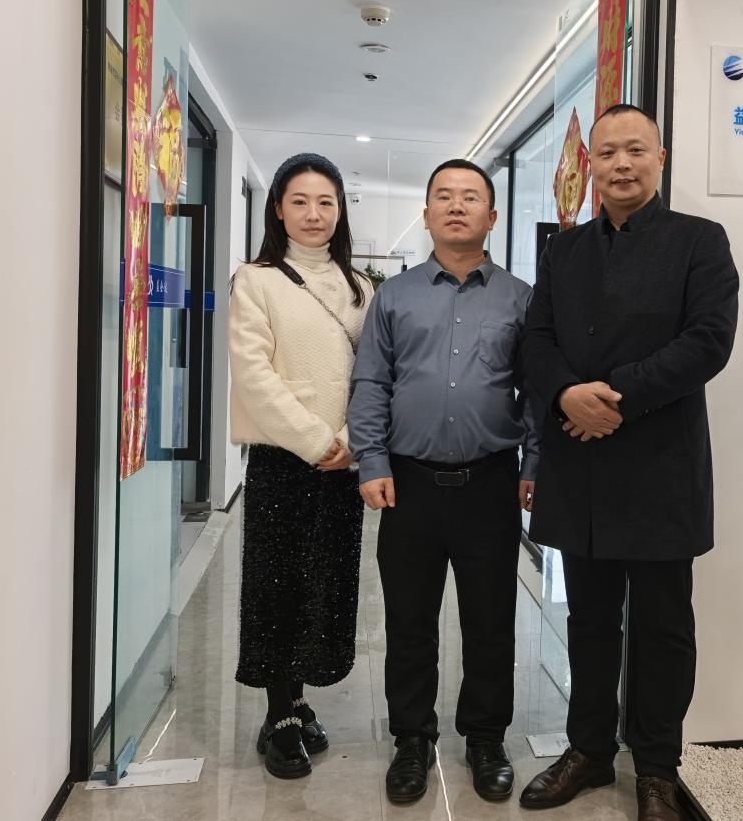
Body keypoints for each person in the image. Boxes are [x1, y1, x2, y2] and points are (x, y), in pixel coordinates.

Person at [517, 105, 739, 821]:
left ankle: (656, 769)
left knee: (663, 628)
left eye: (635, 150)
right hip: (579, 464)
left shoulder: (699, 241)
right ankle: (587, 750)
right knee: (587, 619)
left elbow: (708, 341)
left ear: (659, 159)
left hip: (660, 465)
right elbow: (536, 340)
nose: (621, 164)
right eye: (607, 152)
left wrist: (612, 399)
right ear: (590, 166)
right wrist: (566, 394)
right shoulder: (565, 251)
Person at [348, 158, 540, 805]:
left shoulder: (520, 299)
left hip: (490, 483)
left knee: (491, 621)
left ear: (492, 215)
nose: (457, 206)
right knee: (409, 623)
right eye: (444, 197)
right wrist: (372, 461)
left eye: (471, 197)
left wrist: (534, 464)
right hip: (409, 484)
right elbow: (371, 381)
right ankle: (411, 739)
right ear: (427, 214)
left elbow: (536, 392)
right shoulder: (395, 297)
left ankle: (485, 739)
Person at [228, 152, 373, 779]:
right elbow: (253, 374)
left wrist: (350, 439)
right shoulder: (255, 280)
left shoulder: (360, 286)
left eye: (326, 202)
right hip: (284, 460)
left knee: (324, 583)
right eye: (300, 201)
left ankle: (299, 697)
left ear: (340, 210)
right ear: (278, 209)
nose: (314, 214)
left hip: (345, 463)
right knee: (276, 584)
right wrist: (317, 441)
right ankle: (279, 714)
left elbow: (375, 374)